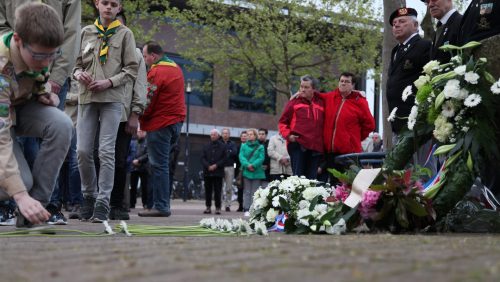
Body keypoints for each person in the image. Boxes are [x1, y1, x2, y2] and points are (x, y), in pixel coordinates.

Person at [0, 3, 72, 226]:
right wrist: (20, 195)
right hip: (2, 125)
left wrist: (46, 93)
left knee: (62, 124)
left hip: (16, 108)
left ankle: (34, 213)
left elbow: (38, 78)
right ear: (18, 40)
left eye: (52, 55)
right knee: (20, 183)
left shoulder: (39, 51)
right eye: (40, 55)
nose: (45, 62)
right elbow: (0, 140)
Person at [74, 0, 138, 222]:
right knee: (82, 151)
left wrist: (109, 82)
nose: (108, 7)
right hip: (87, 97)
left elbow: (131, 69)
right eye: (105, 3)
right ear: (97, 4)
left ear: (119, 7)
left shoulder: (125, 34)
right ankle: (88, 196)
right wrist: (78, 75)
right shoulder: (86, 32)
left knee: (106, 151)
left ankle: (103, 201)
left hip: (111, 98)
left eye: (113, 4)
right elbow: (76, 65)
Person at [138, 41, 185, 217]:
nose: (144, 60)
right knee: (163, 164)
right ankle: (161, 204)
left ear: (154, 56)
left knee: (159, 166)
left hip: (160, 124)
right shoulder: (176, 69)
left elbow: (148, 101)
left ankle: (161, 206)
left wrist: (139, 118)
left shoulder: (156, 71)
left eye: (145, 56)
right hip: (175, 123)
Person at [108, 11, 147, 221]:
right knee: (95, 156)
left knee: (119, 160)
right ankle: (95, 201)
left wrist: (135, 114)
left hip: (123, 115)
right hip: (98, 113)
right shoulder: (96, 47)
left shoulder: (137, 55)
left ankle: (117, 204)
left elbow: (140, 85)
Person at [321, 73, 375, 183]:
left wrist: (354, 138)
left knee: (348, 185)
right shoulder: (330, 97)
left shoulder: (360, 102)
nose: (343, 83)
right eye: (341, 81)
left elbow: (370, 125)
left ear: (353, 85)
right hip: (330, 152)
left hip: (349, 153)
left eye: (347, 81)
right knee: (333, 184)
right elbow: (314, 96)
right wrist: (297, 94)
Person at [279, 75, 324, 179]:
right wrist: (289, 136)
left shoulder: (321, 103)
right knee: (297, 179)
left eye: (306, 87)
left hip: (315, 148)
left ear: (313, 89)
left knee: (312, 180)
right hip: (298, 145)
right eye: (301, 87)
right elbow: (282, 122)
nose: (302, 90)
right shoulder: (293, 102)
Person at [239, 128, 265, 217]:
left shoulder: (260, 147)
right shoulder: (243, 146)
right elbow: (241, 157)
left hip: (257, 171)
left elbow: (261, 158)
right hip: (247, 171)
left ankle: (254, 208)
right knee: (247, 191)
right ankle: (246, 208)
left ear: (255, 135)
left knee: (255, 192)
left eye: (251, 134)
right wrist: (247, 165)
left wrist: (253, 165)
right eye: (248, 134)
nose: (249, 136)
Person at [201, 129, 227, 215]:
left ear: (218, 136)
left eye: (214, 134)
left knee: (217, 191)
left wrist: (216, 165)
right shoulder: (205, 145)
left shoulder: (223, 146)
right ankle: (208, 207)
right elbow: (202, 158)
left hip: (218, 172)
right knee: (208, 191)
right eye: (211, 134)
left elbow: (224, 159)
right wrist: (208, 166)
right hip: (207, 172)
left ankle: (218, 208)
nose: (212, 136)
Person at [129, 130, 150, 210]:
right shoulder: (133, 142)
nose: (140, 133)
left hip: (144, 168)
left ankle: (145, 203)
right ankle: (132, 204)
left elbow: (148, 154)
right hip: (134, 168)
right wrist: (133, 161)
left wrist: (139, 160)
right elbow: (130, 152)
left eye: (142, 131)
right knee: (133, 187)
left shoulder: (148, 143)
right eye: (139, 131)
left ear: (145, 133)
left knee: (144, 187)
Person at [221, 128, 238, 212]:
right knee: (219, 187)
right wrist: (228, 151)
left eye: (227, 133)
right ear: (221, 134)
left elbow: (234, 153)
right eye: (223, 133)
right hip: (220, 167)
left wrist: (226, 152)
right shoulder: (219, 143)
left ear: (229, 134)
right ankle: (219, 204)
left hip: (230, 167)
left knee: (228, 188)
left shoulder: (232, 143)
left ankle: (227, 205)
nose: (225, 135)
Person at [234, 130, 247, 212]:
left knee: (247, 189)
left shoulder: (250, 147)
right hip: (239, 171)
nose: (243, 137)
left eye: (245, 136)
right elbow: (235, 160)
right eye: (242, 136)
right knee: (240, 189)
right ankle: (240, 205)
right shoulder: (237, 147)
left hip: (248, 170)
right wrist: (236, 169)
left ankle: (247, 206)